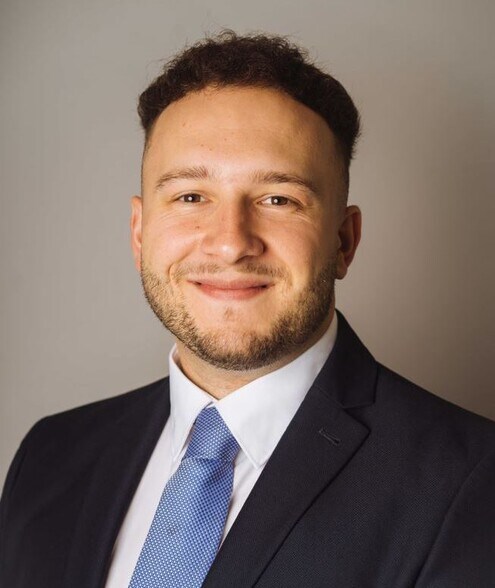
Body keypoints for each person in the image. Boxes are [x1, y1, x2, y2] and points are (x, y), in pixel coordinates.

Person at [0, 31, 494, 588]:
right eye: (190, 197)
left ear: (344, 241)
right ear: (140, 234)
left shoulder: (472, 482)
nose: (231, 243)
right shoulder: (50, 456)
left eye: (278, 199)